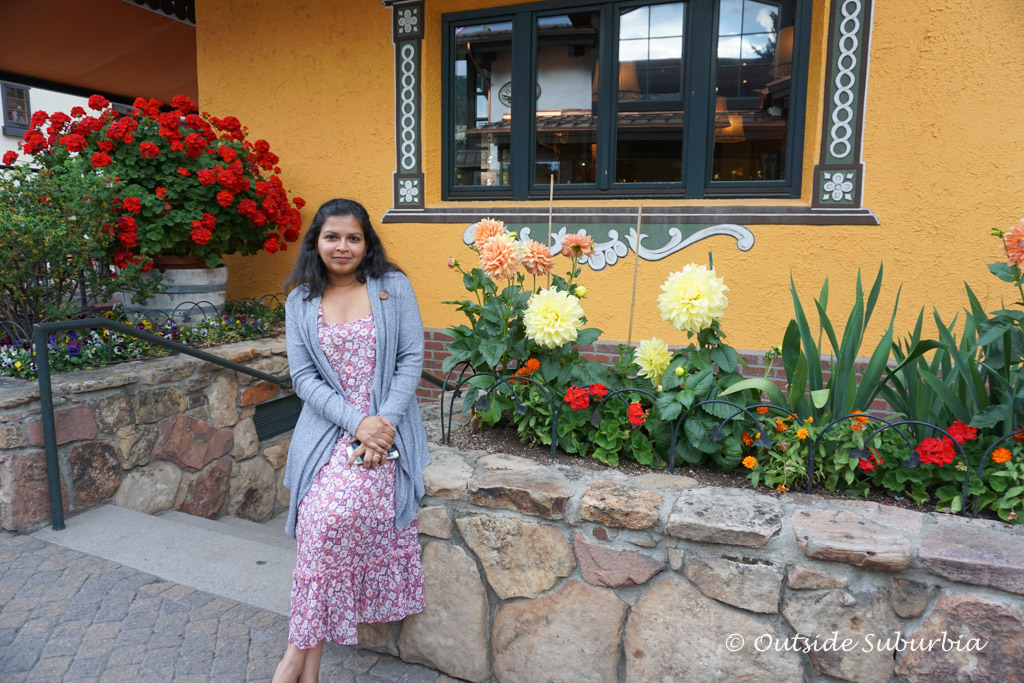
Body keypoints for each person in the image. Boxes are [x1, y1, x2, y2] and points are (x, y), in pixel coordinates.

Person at [273, 198, 428, 683]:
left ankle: (294, 662)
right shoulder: (299, 301)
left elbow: (410, 359)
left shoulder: (392, 288)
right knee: (317, 524)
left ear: (367, 243)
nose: (343, 246)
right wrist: (356, 422)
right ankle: (306, 664)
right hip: (329, 431)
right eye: (332, 237)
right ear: (316, 242)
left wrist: (380, 425)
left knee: (327, 521)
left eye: (353, 237)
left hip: (388, 432)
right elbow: (303, 378)